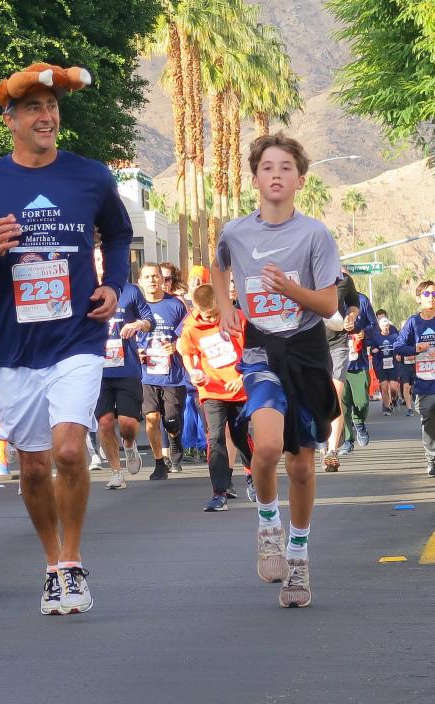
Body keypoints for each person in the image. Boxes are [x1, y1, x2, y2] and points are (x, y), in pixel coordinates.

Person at [0, 62, 132, 616]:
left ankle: (73, 565)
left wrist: (114, 286)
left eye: (52, 107)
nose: (47, 116)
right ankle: (52, 565)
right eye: (33, 108)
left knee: (71, 450)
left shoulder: (90, 176)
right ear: (10, 120)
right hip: (12, 346)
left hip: (78, 335)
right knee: (31, 466)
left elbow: (119, 234)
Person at [211, 131, 342, 609]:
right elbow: (219, 263)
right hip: (261, 348)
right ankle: (268, 523)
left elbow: (329, 303)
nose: (276, 175)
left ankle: (299, 558)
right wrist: (226, 305)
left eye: (286, 167)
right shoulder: (236, 231)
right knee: (265, 445)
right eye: (268, 167)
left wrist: (290, 289)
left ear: (300, 179)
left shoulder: (314, 234)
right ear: (254, 178)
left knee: (302, 464)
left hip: (305, 348)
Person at [177, 284, 254, 511]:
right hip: (211, 390)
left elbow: (253, 351)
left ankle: (252, 476)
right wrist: (193, 373)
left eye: (215, 314)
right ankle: (219, 492)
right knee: (216, 437)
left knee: (240, 436)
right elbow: (188, 353)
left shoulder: (237, 318)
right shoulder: (191, 327)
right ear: (197, 309)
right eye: (207, 315)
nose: (211, 319)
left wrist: (242, 377)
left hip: (238, 387)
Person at [94, 265, 153, 489]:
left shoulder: (130, 291)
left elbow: (149, 320)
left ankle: (129, 444)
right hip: (97, 370)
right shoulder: (84, 290)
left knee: (128, 424)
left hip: (126, 367)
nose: (100, 266)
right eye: (96, 260)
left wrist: (138, 324)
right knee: (105, 422)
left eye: (103, 260)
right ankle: (116, 472)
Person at [137, 263, 189, 479]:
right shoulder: (135, 306)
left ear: (162, 280)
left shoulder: (175, 304)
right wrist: (136, 351)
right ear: (140, 281)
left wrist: (176, 345)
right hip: (145, 373)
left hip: (172, 374)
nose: (152, 281)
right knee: (151, 417)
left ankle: (175, 438)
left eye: (156, 276)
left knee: (172, 420)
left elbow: (189, 333)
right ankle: (159, 462)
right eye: (147, 277)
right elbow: (123, 335)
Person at [320, 272, 361, 471]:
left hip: (338, 344)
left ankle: (332, 451)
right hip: (311, 345)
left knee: (335, 396)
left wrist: (350, 317)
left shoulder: (344, 279)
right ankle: (322, 442)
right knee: (318, 398)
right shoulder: (303, 276)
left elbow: (354, 303)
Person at [395, 281, 435, 477]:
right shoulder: (413, 322)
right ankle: (431, 459)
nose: (432, 296)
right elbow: (398, 346)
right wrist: (416, 349)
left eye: (434, 293)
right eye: (427, 294)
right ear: (419, 298)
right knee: (429, 421)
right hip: (425, 382)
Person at [342, 290, 377, 450]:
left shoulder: (362, 300)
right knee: (343, 405)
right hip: (337, 363)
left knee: (361, 402)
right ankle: (348, 440)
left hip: (358, 361)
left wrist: (364, 332)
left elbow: (373, 325)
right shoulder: (326, 298)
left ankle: (360, 422)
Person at [371, 310, 400, 415]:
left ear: (389, 325)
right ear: (380, 327)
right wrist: (373, 351)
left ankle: (395, 398)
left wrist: (398, 354)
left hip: (393, 365)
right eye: (383, 326)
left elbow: (400, 347)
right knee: (384, 387)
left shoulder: (394, 336)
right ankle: (386, 408)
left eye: (387, 326)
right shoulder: (376, 336)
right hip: (381, 365)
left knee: (393, 388)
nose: (385, 328)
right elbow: (372, 348)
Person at [397, 317, 417, 416]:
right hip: (404, 365)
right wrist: (397, 355)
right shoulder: (400, 337)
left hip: (415, 365)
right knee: (406, 386)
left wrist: (415, 354)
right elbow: (396, 348)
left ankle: (417, 403)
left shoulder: (416, 336)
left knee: (414, 387)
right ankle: (409, 408)